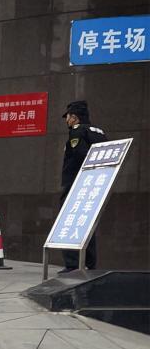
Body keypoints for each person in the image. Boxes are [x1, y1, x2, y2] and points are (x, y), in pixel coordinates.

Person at [59, 100, 106, 273]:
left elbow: (80, 155)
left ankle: (72, 264)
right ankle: (90, 263)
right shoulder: (98, 132)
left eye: (68, 117)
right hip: (95, 184)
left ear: (75, 117)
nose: (67, 121)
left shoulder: (77, 132)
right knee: (88, 223)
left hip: (76, 183)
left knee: (69, 221)